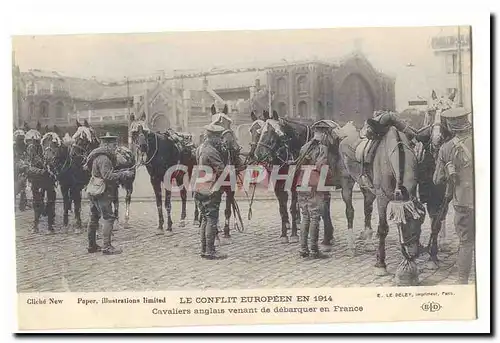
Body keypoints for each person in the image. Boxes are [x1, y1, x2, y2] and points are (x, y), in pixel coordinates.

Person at [433, 107, 474, 284]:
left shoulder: (445, 149)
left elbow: (437, 180)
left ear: (449, 126)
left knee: (466, 242)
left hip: (463, 201)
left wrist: (448, 170)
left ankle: (462, 280)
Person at [84, 132, 134, 255]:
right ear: (107, 145)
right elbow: (107, 176)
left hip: (94, 190)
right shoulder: (105, 159)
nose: (115, 148)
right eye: (113, 145)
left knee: (94, 217)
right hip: (103, 192)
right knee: (108, 217)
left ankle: (92, 245)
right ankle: (107, 247)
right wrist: (124, 174)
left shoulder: (96, 156)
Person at [296, 120, 336, 259]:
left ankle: (303, 249)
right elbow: (321, 167)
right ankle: (313, 250)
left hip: (302, 182)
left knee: (305, 216)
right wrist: (331, 175)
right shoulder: (322, 148)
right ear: (324, 133)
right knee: (314, 217)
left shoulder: (304, 147)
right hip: (314, 184)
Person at [194, 123, 228, 260]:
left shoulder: (200, 148)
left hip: (200, 187)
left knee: (204, 218)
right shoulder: (212, 151)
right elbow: (221, 170)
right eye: (219, 137)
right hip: (210, 189)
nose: (221, 140)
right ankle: (210, 250)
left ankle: (204, 249)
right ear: (213, 137)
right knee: (212, 219)